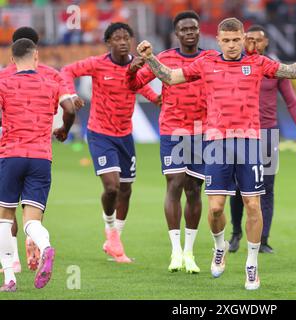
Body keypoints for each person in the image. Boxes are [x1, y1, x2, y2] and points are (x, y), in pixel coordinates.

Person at [137, 17, 296, 289]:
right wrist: (150, 59)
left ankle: (251, 265)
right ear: (218, 41)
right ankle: (220, 245)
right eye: (226, 40)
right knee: (216, 209)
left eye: (236, 40)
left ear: (243, 39)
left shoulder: (257, 63)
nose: (231, 45)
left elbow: (291, 71)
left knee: (253, 204)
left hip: (250, 142)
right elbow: (171, 77)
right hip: (216, 143)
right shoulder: (206, 63)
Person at [61, 22, 161, 263]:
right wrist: (70, 94)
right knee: (112, 187)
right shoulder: (97, 63)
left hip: (125, 135)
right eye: (117, 38)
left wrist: (157, 98)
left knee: (126, 189)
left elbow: (139, 86)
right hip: (100, 133)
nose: (123, 41)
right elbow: (66, 70)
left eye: (127, 37)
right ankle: (110, 230)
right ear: (108, 42)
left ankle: (115, 239)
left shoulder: (135, 65)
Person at [127, 11, 216, 274]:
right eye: (184, 29)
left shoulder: (210, 58)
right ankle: (175, 250)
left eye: (193, 28)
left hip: (202, 131)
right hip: (172, 129)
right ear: (176, 34)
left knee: (194, 190)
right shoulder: (163, 58)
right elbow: (135, 82)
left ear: (199, 31)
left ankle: (189, 251)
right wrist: (133, 67)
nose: (189, 32)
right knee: (175, 182)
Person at [0, 38, 76, 292]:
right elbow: (70, 107)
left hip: (10, 155)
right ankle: (45, 247)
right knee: (32, 220)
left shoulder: (4, 81)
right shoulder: (52, 83)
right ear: (36, 57)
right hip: (41, 158)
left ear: (12, 60)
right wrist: (64, 128)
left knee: (3, 219)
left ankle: (9, 278)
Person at [228, 24, 296, 254]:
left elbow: (292, 101)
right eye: (249, 38)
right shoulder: (235, 65)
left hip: (267, 135)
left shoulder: (274, 69)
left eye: (258, 39)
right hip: (241, 133)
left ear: (266, 43)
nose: (253, 42)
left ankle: (263, 239)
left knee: (267, 187)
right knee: (236, 187)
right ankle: (236, 233)